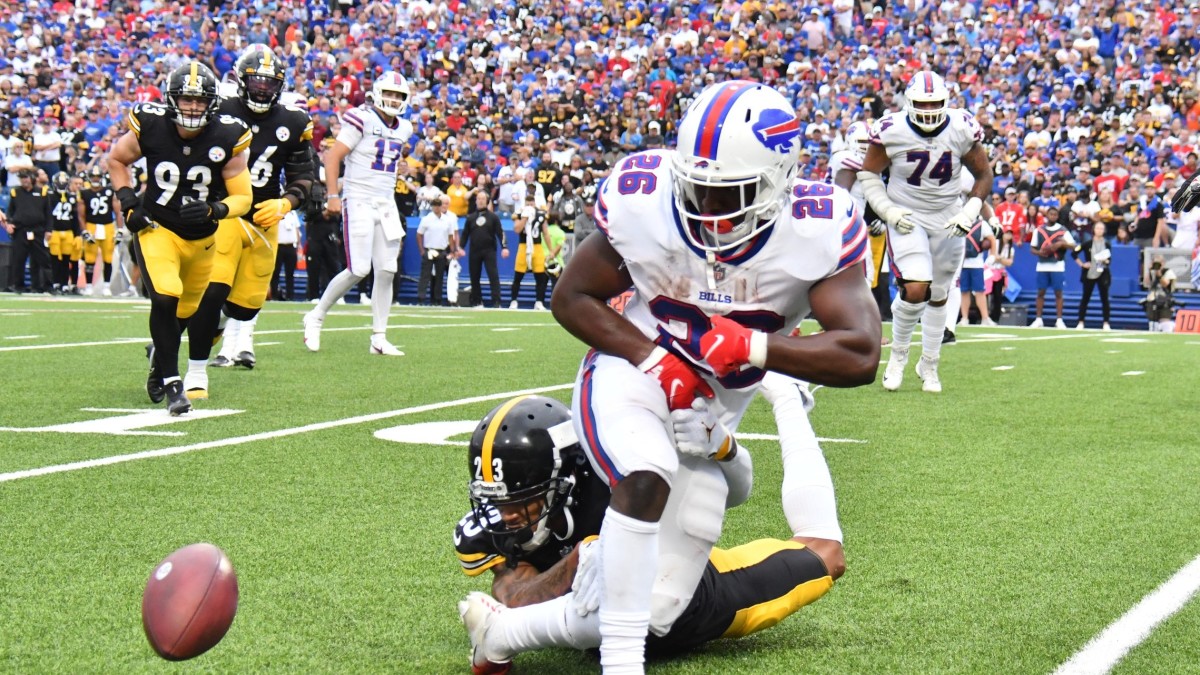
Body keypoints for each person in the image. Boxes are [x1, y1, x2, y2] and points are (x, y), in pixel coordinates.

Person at [546, 80, 880, 674]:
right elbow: (572, 296)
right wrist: (657, 359)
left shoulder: (818, 224)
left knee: (663, 607)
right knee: (641, 481)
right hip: (635, 373)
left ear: (780, 181)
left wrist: (753, 345)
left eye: (728, 194)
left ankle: (500, 634)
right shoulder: (643, 199)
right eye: (695, 187)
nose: (706, 208)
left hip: (713, 411)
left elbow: (859, 355)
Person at [456, 381, 841, 670]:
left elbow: (737, 494)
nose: (506, 516)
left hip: (690, 596)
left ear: (568, 482)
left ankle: (790, 398)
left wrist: (726, 449)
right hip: (603, 625)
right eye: (498, 501)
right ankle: (501, 636)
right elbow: (514, 597)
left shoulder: (621, 474)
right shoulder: (495, 525)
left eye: (523, 501)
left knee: (826, 551)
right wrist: (579, 558)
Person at [107, 61, 253, 415]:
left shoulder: (228, 135)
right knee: (165, 297)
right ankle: (175, 385)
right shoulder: (151, 124)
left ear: (212, 104)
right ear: (172, 100)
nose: (191, 107)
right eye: (185, 99)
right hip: (158, 229)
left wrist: (214, 210)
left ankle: (159, 359)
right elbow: (116, 160)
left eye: (199, 101)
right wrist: (128, 202)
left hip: (203, 238)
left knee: (185, 313)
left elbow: (243, 197)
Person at [174, 47, 314, 396]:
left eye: (270, 83)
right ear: (241, 79)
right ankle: (195, 371)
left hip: (265, 219)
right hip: (226, 211)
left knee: (244, 305)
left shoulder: (294, 122)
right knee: (215, 288)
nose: (263, 89)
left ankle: (204, 332)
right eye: (257, 81)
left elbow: (304, 176)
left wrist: (287, 202)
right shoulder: (220, 109)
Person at [859, 70, 993, 393]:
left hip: (947, 215)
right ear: (909, 102)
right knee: (916, 287)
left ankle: (929, 364)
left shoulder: (961, 127)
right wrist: (888, 210)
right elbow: (869, 174)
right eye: (922, 103)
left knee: (939, 294)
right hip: (908, 214)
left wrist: (970, 211)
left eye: (935, 104)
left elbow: (984, 175)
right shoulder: (892, 129)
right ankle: (899, 358)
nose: (929, 111)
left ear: (946, 103)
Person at [303, 71, 413, 356]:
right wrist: (333, 195)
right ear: (376, 93)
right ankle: (315, 316)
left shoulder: (405, 128)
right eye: (388, 93)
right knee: (359, 269)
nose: (392, 99)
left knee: (387, 269)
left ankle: (379, 337)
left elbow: (385, 156)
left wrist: (398, 168)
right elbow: (332, 157)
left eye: (398, 96)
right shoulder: (361, 117)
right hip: (360, 199)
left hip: (386, 203)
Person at [4, 170, 51, 293]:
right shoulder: (16, 192)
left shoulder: (43, 192)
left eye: (26, 177)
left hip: (38, 230)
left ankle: (45, 285)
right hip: (21, 230)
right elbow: (10, 211)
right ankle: (17, 285)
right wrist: (9, 223)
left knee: (42, 259)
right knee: (18, 259)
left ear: (32, 178)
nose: (24, 180)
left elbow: (48, 213)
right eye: (22, 178)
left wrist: (48, 230)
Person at [1028, 208, 1076, 328]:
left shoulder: (1062, 230)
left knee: (1058, 292)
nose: (1053, 216)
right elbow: (1032, 248)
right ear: (1047, 215)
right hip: (1042, 265)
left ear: (1057, 216)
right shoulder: (1039, 230)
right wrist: (1040, 253)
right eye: (1051, 214)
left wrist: (1061, 244)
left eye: (1055, 214)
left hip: (1057, 265)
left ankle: (1059, 319)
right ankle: (1038, 318)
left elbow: (1073, 245)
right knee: (1041, 292)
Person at [460, 191, 508, 308]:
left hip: (489, 251)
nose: (480, 201)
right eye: (478, 199)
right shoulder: (471, 218)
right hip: (474, 251)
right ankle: (477, 301)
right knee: (474, 276)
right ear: (476, 201)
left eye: (483, 199)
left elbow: (501, 233)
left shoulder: (493, 217)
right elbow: (465, 234)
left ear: (487, 201)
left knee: (493, 276)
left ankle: (496, 301)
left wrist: (504, 247)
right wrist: (460, 248)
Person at [78, 165, 118, 296]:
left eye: (98, 176)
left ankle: (106, 286)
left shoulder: (110, 191)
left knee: (108, 258)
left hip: (108, 226)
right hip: (92, 225)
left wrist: (121, 229)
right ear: (89, 178)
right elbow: (81, 215)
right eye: (93, 176)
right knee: (89, 258)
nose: (96, 179)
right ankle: (89, 285)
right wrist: (84, 231)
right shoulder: (84, 193)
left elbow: (117, 211)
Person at [416, 197, 459, 306]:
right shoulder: (426, 219)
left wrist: (453, 250)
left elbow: (450, 237)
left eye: (438, 205)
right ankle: (421, 298)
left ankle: (437, 299)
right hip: (429, 249)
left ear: (441, 206)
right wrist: (422, 250)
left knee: (440, 277)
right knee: (425, 275)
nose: (436, 207)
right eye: (434, 205)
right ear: (432, 207)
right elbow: (419, 235)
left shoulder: (447, 220)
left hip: (441, 250)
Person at [509, 194, 549, 310]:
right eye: (528, 204)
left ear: (535, 204)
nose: (530, 207)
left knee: (540, 276)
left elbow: (545, 233)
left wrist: (551, 250)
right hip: (523, 246)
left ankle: (539, 301)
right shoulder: (520, 213)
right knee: (518, 275)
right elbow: (517, 229)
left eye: (531, 204)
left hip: (537, 246)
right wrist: (525, 218)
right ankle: (514, 300)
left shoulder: (541, 214)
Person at [46, 171, 80, 295]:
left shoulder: (72, 197)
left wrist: (77, 234)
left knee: (66, 259)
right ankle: (56, 283)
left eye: (63, 183)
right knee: (55, 259)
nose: (61, 185)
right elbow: (47, 215)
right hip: (54, 231)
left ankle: (65, 284)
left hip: (68, 231)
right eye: (59, 183)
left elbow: (75, 217)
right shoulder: (50, 196)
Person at [1074, 222, 1112, 330]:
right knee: (1085, 297)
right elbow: (1074, 253)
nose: (1099, 230)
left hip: (1102, 273)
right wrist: (1082, 264)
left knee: (1104, 298)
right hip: (1089, 273)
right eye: (1097, 228)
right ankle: (1081, 321)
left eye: (1102, 228)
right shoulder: (1087, 243)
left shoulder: (1107, 244)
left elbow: (1110, 260)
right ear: (1094, 229)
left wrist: (1106, 260)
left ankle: (1106, 322)